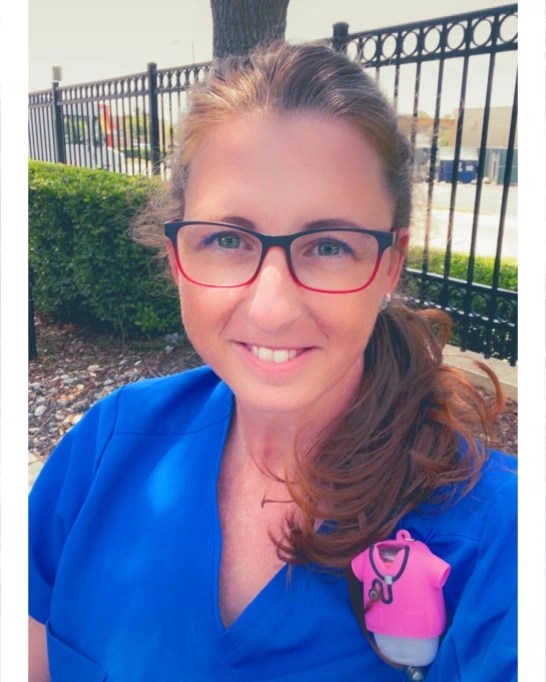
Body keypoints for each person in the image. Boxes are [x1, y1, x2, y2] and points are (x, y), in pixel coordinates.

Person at [29, 41, 517, 681]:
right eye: (226, 239)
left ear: (390, 265)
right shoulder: (109, 444)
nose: (272, 309)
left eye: (330, 246)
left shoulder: (498, 540)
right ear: (177, 257)